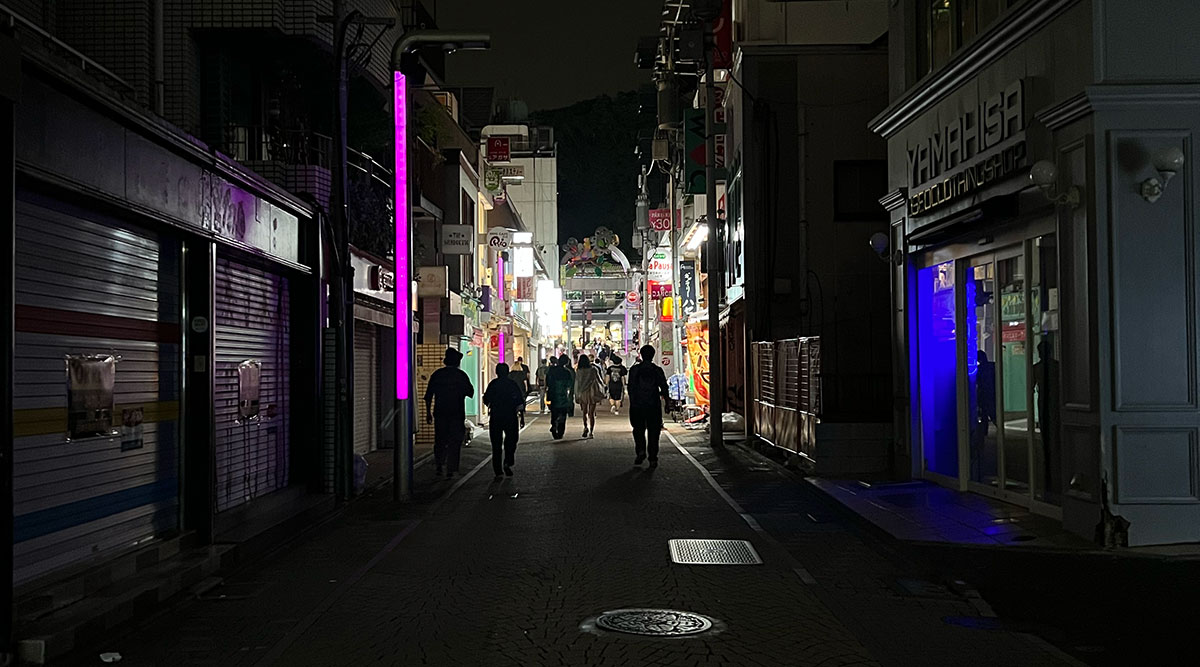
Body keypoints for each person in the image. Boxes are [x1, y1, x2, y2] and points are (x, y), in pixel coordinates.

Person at [423, 348, 475, 478]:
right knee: (455, 441)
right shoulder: (461, 375)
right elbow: (470, 392)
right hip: (456, 413)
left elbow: (428, 395)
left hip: (440, 413)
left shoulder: (437, 374)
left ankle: (439, 465)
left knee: (440, 440)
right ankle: (451, 469)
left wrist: (428, 412)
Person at [628, 345, 669, 468]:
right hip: (653, 405)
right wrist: (667, 402)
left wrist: (633, 401)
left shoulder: (634, 370)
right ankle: (652, 457)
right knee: (654, 432)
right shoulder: (657, 370)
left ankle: (640, 451)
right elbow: (664, 387)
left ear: (640, 354)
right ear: (653, 355)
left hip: (637, 405)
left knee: (638, 430)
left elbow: (631, 388)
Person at [483, 363, 525, 479]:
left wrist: (490, 405)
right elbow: (520, 402)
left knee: (496, 444)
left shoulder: (493, 384)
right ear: (508, 372)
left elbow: (486, 399)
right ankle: (508, 461)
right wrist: (522, 417)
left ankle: (498, 471)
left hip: (496, 416)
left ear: (497, 372)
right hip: (510, 416)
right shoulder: (512, 385)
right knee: (511, 440)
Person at [574, 355, 605, 438]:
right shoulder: (593, 370)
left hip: (582, 393)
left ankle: (585, 427)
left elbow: (577, 383)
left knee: (584, 412)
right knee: (591, 413)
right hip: (592, 393)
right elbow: (599, 380)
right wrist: (603, 388)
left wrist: (576, 394)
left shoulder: (579, 371)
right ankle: (591, 431)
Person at [545, 354, 575, 439]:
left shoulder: (551, 370)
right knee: (562, 413)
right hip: (563, 395)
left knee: (554, 412)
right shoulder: (567, 372)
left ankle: (554, 424)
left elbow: (547, 382)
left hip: (552, 394)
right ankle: (560, 431)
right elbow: (569, 385)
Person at [509, 356, 531, 426]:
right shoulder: (522, 374)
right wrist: (526, 390)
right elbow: (525, 382)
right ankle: (522, 418)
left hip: (512, 392)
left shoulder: (510, 374)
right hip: (521, 390)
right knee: (521, 404)